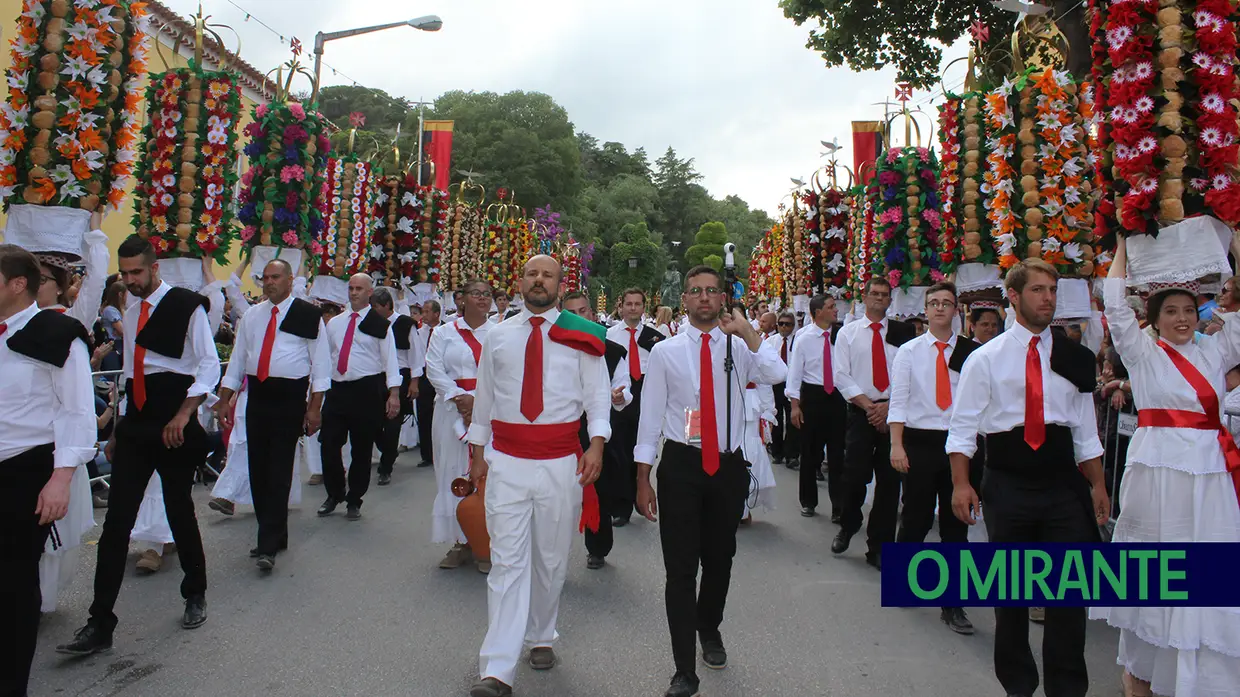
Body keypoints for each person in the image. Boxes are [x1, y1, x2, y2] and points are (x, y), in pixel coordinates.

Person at [947, 258, 1109, 697]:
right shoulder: (985, 359)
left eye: (1052, 290)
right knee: (1013, 597)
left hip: (1062, 486)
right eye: (1038, 290)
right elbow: (962, 429)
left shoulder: (1074, 358)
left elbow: (1084, 428)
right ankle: (1018, 685)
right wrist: (963, 483)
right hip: (1008, 483)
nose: (1048, 298)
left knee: (1069, 596)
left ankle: (1067, 687)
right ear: (1014, 297)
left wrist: (1097, 484)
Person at [1090, 237, 1240, 697]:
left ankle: (1201, 678)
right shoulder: (1143, 354)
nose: (1181, 318)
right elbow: (1114, 304)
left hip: (1210, 472)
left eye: (1189, 311)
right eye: (1171, 311)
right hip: (1157, 471)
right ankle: (1139, 673)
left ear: (1201, 315)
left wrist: (1234, 243)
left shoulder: (1217, 351)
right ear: (1153, 319)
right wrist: (1122, 246)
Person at [58, 235, 220, 655]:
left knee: (179, 509)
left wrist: (185, 414)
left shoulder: (187, 305)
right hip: (137, 425)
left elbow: (207, 364)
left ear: (154, 268)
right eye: (125, 273)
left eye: (137, 272)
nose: (130, 280)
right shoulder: (130, 313)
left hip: (174, 421)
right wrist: (117, 431)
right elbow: (130, 376)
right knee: (116, 525)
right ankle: (100, 622)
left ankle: (195, 592)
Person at [635, 265, 787, 697]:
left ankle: (709, 626)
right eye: (695, 291)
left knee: (720, 561)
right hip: (682, 466)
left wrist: (747, 331)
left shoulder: (740, 349)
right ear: (684, 300)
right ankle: (684, 668)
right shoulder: (665, 353)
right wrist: (643, 476)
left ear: (723, 299)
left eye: (712, 291)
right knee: (680, 570)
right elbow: (649, 418)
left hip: (728, 467)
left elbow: (777, 374)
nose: (704, 298)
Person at [466, 256, 611, 697]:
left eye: (547, 274)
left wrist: (597, 443)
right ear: (520, 281)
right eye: (532, 274)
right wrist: (477, 451)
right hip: (506, 460)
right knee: (507, 562)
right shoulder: (498, 335)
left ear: (560, 284)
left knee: (549, 559)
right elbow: (485, 395)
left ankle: (542, 635)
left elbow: (597, 394)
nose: (539, 280)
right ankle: (497, 669)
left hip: (560, 462)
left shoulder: (581, 334)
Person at [0, 245, 95, 697]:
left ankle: (12, 682)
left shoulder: (57, 333)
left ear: (17, 284)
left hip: (25, 469)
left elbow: (76, 411)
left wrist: (61, 478)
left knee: (15, 580)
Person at [216, 259, 328, 571]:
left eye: (275, 277)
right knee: (259, 469)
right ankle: (276, 532)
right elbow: (238, 361)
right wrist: (225, 399)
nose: (269, 283)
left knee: (278, 467)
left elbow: (320, 365)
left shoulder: (307, 315)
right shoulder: (252, 315)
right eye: (265, 278)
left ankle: (266, 543)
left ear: (291, 280)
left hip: (289, 397)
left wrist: (314, 407)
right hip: (258, 395)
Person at [887, 282, 978, 635]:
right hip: (920, 442)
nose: (940, 308)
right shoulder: (909, 352)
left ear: (956, 310)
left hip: (960, 444)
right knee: (916, 517)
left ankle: (953, 604)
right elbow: (899, 401)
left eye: (947, 303)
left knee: (957, 524)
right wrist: (897, 444)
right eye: (934, 303)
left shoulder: (973, 352)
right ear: (925, 310)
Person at [830, 277, 915, 567]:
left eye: (884, 295)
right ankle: (849, 523)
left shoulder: (904, 333)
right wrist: (871, 408)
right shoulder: (848, 333)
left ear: (890, 300)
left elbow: (912, 375)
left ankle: (879, 546)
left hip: (895, 415)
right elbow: (841, 375)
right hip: (861, 412)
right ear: (864, 298)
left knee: (890, 483)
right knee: (855, 476)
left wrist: (889, 409)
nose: (879, 298)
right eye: (874, 294)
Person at [317, 274, 400, 521]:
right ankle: (334, 493)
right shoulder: (335, 323)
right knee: (329, 443)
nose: (354, 293)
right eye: (351, 288)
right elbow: (326, 357)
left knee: (362, 448)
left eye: (359, 289)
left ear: (369, 293)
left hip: (367, 389)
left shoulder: (379, 324)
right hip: (338, 389)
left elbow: (390, 359)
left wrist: (393, 393)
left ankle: (355, 498)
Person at [424, 279, 493, 572]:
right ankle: (460, 541)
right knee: (452, 471)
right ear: (462, 298)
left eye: (487, 294)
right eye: (475, 293)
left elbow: (507, 373)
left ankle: (487, 543)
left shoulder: (501, 333)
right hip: (452, 409)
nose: (481, 299)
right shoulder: (443, 333)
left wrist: (479, 403)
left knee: (488, 472)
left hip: (491, 411)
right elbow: (433, 368)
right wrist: (460, 398)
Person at [563, 290, 632, 569]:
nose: (579, 318)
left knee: (598, 491)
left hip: (596, 431)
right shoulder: (552, 347)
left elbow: (625, 388)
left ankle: (598, 547)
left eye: (583, 311)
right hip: (561, 431)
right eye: (571, 313)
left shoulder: (612, 351)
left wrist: (619, 397)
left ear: (592, 314)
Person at [605, 287, 666, 527]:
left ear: (644, 307)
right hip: (618, 392)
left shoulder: (655, 337)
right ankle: (621, 505)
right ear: (621, 306)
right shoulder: (609, 334)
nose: (632, 308)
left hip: (645, 392)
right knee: (619, 449)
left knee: (643, 447)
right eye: (628, 304)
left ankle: (639, 494)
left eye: (637, 304)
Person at [786, 295, 848, 519]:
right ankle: (808, 501)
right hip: (812, 396)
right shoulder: (804, 338)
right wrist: (795, 405)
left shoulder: (841, 335)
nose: (835, 311)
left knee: (837, 454)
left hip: (837, 396)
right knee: (810, 452)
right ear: (818, 312)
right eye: (831, 307)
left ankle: (839, 506)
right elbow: (795, 373)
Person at [371, 287, 422, 487]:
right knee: (374, 422)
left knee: (393, 424)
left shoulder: (405, 324)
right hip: (377, 377)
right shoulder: (372, 324)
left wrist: (415, 381)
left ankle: (386, 467)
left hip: (400, 377)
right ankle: (387, 450)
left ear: (386, 306)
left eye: (375, 307)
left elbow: (415, 354)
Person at [765, 310, 799, 468]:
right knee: (777, 418)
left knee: (793, 420)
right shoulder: (771, 341)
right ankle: (777, 451)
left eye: (788, 324)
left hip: (793, 383)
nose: (784, 327)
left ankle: (791, 454)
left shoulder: (798, 340)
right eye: (781, 324)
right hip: (776, 384)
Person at [416, 299, 443, 469]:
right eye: (422, 312)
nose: (423, 315)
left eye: (427, 312)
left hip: (441, 375)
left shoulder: (446, 330)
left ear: (436, 314)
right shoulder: (418, 332)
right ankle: (427, 454)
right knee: (424, 414)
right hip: (424, 377)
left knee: (440, 415)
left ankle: (441, 451)